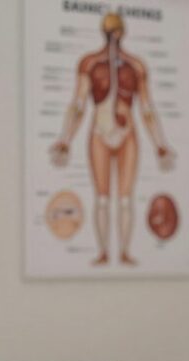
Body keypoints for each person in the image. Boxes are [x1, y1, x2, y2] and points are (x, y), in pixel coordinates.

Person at [50, 12, 176, 266]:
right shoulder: (90, 64)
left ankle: (125, 251)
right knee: (103, 197)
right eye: (111, 32)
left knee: (126, 197)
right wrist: (66, 138)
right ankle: (104, 251)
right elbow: (78, 104)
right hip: (100, 130)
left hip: (127, 131)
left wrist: (160, 144)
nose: (114, 37)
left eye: (117, 32)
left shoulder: (136, 66)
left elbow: (147, 108)